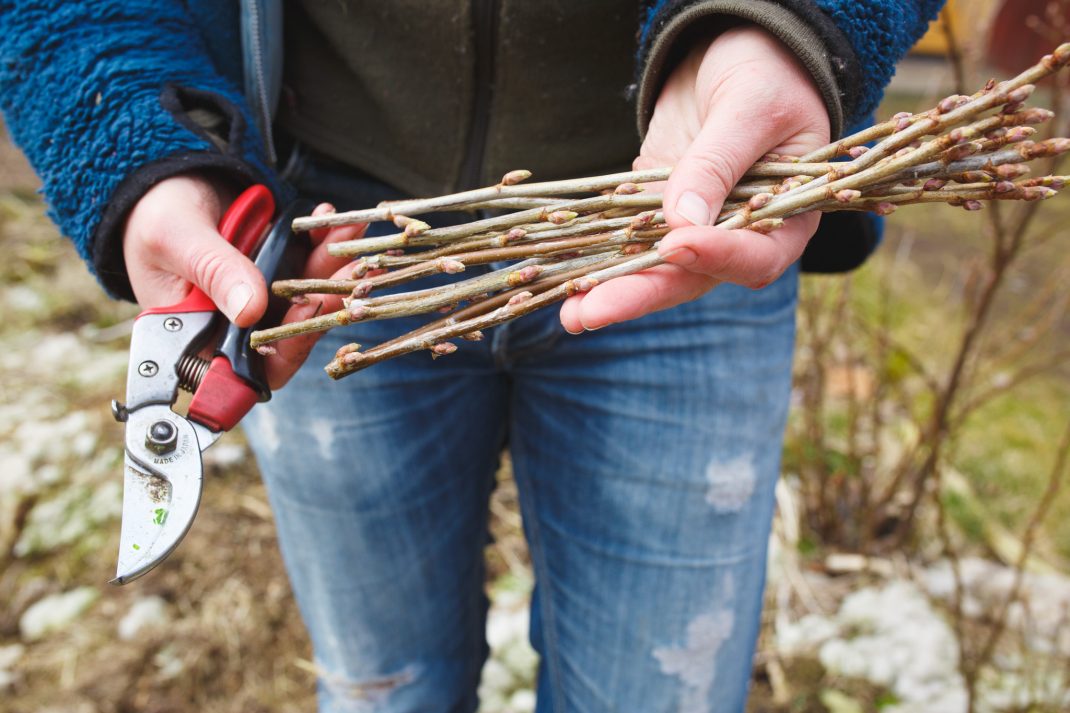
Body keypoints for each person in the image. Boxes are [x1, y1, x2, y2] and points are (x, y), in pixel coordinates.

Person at [1, 2, 943, 710]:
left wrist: (782, 24)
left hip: (681, 217)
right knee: (384, 691)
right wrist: (126, 129)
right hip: (327, 249)